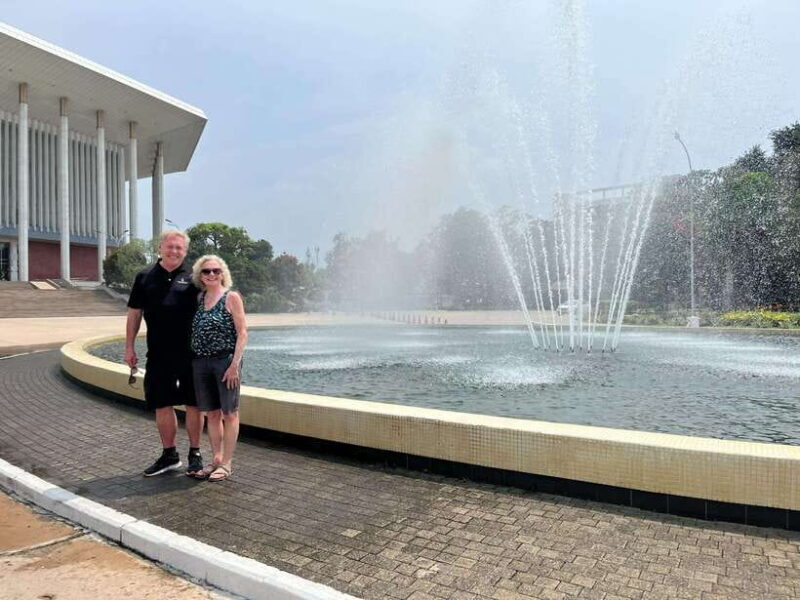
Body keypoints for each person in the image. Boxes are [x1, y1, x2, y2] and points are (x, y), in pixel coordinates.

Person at [125, 230, 205, 477]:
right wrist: (129, 346)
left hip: (191, 353)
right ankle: (169, 455)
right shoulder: (144, 276)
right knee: (162, 403)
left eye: (179, 248)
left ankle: (195, 453)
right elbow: (134, 313)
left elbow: (213, 306)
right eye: (170, 246)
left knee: (193, 403)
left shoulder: (196, 277)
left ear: (186, 251)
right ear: (160, 247)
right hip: (158, 353)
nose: (174, 251)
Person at [190, 254, 247, 483]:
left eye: (215, 270)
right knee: (211, 413)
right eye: (206, 272)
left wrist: (234, 365)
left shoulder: (230, 297)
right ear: (200, 276)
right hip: (201, 362)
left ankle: (227, 463)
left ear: (222, 273)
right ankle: (216, 459)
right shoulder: (199, 298)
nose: (211, 274)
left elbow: (242, 332)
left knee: (229, 413)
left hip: (225, 362)